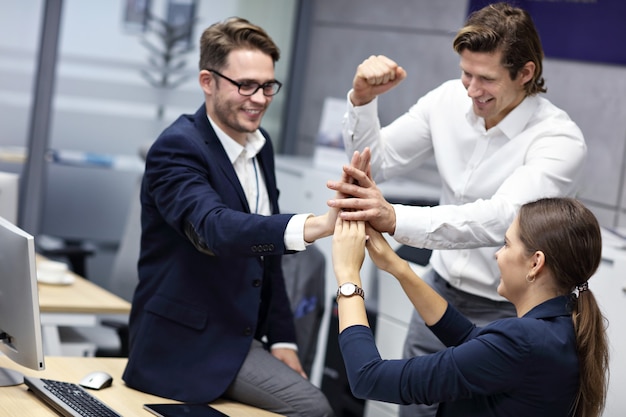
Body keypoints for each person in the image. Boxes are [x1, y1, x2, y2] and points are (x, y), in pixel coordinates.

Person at [327, 3, 587, 415]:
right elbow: (378, 159)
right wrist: (361, 101)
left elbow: (503, 218)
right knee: (413, 407)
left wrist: (394, 219)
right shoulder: (449, 99)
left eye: (486, 78)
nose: (471, 89)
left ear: (526, 73)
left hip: (508, 310)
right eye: (466, 73)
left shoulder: (559, 141)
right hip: (439, 293)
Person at [121, 17, 362, 417]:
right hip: (187, 345)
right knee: (313, 408)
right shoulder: (176, 149)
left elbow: (265, 258)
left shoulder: (258, 145)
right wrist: (315, 225)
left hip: (241, 335)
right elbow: (214, 229)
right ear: (207, 81)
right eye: (245, 85)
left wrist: (284, 339)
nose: (260, 98)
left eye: (268, 85)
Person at [331, 197, 609, 417]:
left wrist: (347, 277)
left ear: (535, 263)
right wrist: (398, 268)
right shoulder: (561, 326)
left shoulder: (522, 342)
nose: (496, 254)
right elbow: (469, 339)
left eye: (506, 244)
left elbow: (367, 377)